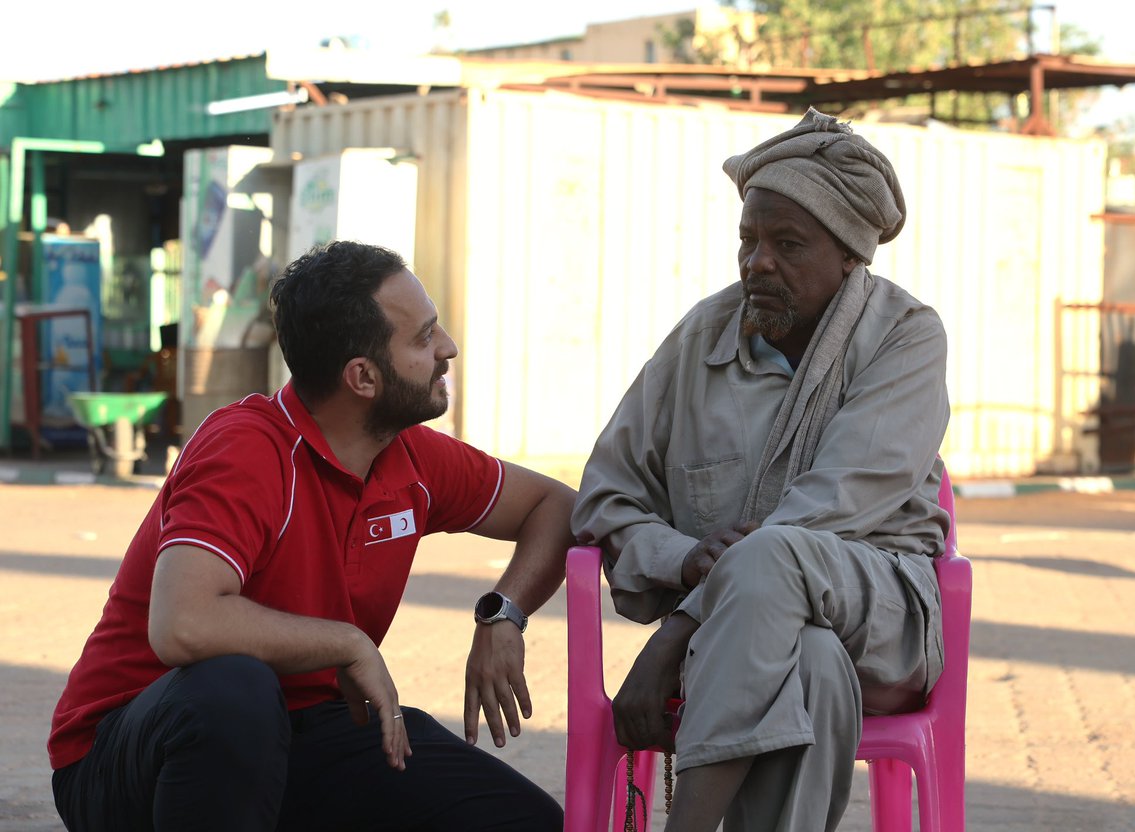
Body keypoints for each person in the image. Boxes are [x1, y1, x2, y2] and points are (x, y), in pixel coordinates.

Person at [49, 241, 571, 831]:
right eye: (424, 337)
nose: (447, 348)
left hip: (302, 728)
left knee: (523, 820)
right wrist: (347, 642)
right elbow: (183, 624)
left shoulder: (410, 455)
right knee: (235, 691)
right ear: (363, 377)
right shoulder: (246, 449)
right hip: (128, 752)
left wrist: (504, 614)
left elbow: (557, 507)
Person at [572, 108, 950, 832]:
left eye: (788, 244)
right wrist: (682, 558)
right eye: (748, 239)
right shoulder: (700, 337)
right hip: (747, 648)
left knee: (775, 554)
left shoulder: (906, 335)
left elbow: (834, 504)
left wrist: (677, 629)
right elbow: (604, 497)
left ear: (850, 254)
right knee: (809, 663)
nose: (758, 262)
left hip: (881, 619)